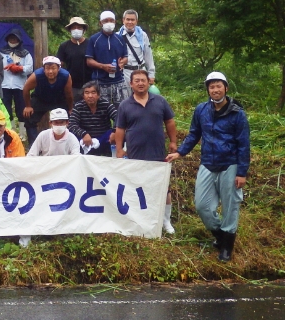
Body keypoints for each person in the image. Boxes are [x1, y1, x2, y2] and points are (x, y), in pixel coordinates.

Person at [165, 72, 250, 262]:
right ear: (208, 90)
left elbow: (244, 144)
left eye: (218, 86)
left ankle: (227, 247)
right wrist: (180, 152)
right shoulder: (201, 110)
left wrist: (242, 172)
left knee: (230, 207)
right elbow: (194, 133)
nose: (215, 90)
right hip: (208, 163)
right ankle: (221, 237)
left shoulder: (237, 113)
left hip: (230, 164)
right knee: (202, 206)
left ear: (226, 88)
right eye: (211, 87)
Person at [115, 69, 178, 234]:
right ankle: (140, 219)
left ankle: (166, 221)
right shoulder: (124, 105)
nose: (141, 83)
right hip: (135, 153)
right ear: (131, 84)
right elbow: (120, 129)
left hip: (158, 152)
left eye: (143, 80)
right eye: (137, 81)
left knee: (164, 188)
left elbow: (170, 122)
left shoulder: (160, 101)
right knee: (137, 186)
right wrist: (120, 149)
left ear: (148, 82)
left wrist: (173, 141)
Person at [22, 56, 73, 147]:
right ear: (43, 69)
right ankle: (33, 145)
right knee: (29, 118)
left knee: (68, 118)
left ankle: (66, 143)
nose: (50, 71)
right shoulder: (37, 75)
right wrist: (28, 106)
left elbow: (68, 94)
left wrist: (70, 108)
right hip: (40, 99)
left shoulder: (65, 76)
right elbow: (26, 89)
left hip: (59, 99)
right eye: (47, 68)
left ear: (59, 68)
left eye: (53, 68)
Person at [85, 10, 128, 108]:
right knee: (102, 111)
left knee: (122, 110)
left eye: (111, 20)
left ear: (115, 22)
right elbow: (89, 61)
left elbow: (125, 57)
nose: (109, 23)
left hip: (118, 81)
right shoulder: (94, 39)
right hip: (100, 82)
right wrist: (102, 66)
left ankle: (119, 124)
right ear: (100, 23)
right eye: (105, 21)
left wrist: (123, 62)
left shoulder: (120, 38)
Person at [0, 28, 33, 137]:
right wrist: (8, 67)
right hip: (4, 84)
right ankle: (11, 131)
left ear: (19, 40)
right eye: (11, 38)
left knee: (21, 109)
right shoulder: (1, 53)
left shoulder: (26, 54)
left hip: (20, 85)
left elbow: (30, 68)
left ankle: (23, 134)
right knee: (6, 108)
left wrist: (19, 68)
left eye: (15, 39)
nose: (13, 41)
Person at [68, 81, 117, 156]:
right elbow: (72, 125)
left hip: (103, 138)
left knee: (118, 133)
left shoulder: (105, 104)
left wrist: (114, 131)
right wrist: (84, 134)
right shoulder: (78, 106)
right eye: (87, 93)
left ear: (98, 95)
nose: (90, 96)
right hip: (85, 139)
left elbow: (118, 118)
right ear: (83, 95)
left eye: (93, 92)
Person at [57, 17, 93, 102]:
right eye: (74, 28)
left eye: (79, 28)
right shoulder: (64, 46)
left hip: (90, 84)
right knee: (72, 110)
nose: (76, 30)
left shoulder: (90, 44)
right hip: (71, 85)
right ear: (70, 30)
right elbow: (59, 64)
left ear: (84, 30)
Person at [118, 9, 156, 86]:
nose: (130, 22)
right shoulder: (117, 36)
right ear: (123, 20)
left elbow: (148, 55)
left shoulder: (142, 35)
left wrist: (151, 74)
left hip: (140, 71)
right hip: (124, 73)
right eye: (128, 19)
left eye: (132, 20)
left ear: (136, 21)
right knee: (125, 97)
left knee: (141, 96)